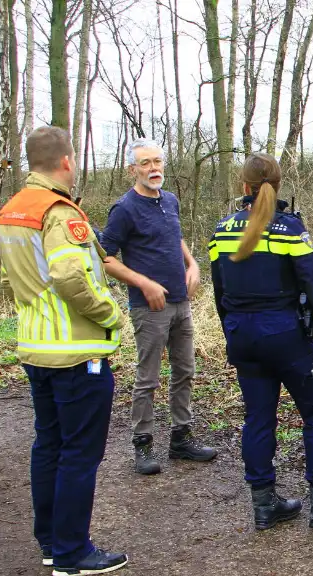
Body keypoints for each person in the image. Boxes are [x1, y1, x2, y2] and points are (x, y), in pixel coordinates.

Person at [0, 126, 129, 576]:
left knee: (49, 444)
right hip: (75, 350)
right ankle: (73, 552)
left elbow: (16, 279)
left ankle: (52, 542)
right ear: (67, 161)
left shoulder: (13, 210)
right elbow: (71, 277)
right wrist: (110, 311)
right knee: (79, 452)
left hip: (37, 346)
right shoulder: (58, 212)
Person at [207, 153, 313, 530]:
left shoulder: (221, 231)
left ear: (244, 187)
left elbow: (219, 293)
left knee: (258, 417)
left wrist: (232, 338)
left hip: (244, 337)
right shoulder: (289, 230)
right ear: (277, 185)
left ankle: (264, 504)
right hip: (286, 336)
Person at [100, 139, 217, 475]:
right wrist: (144, 283)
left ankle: (181, 439)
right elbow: (105, 257)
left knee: (185, 371)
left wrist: (192, 264)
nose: (153, 169)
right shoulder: (124, 208)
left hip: (181, 302)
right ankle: (143, 444)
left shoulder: (170, 201)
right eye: (145, 163)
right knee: (147, 378)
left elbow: (174, 235)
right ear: (132, 169)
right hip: (148, 307)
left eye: (157, 162)